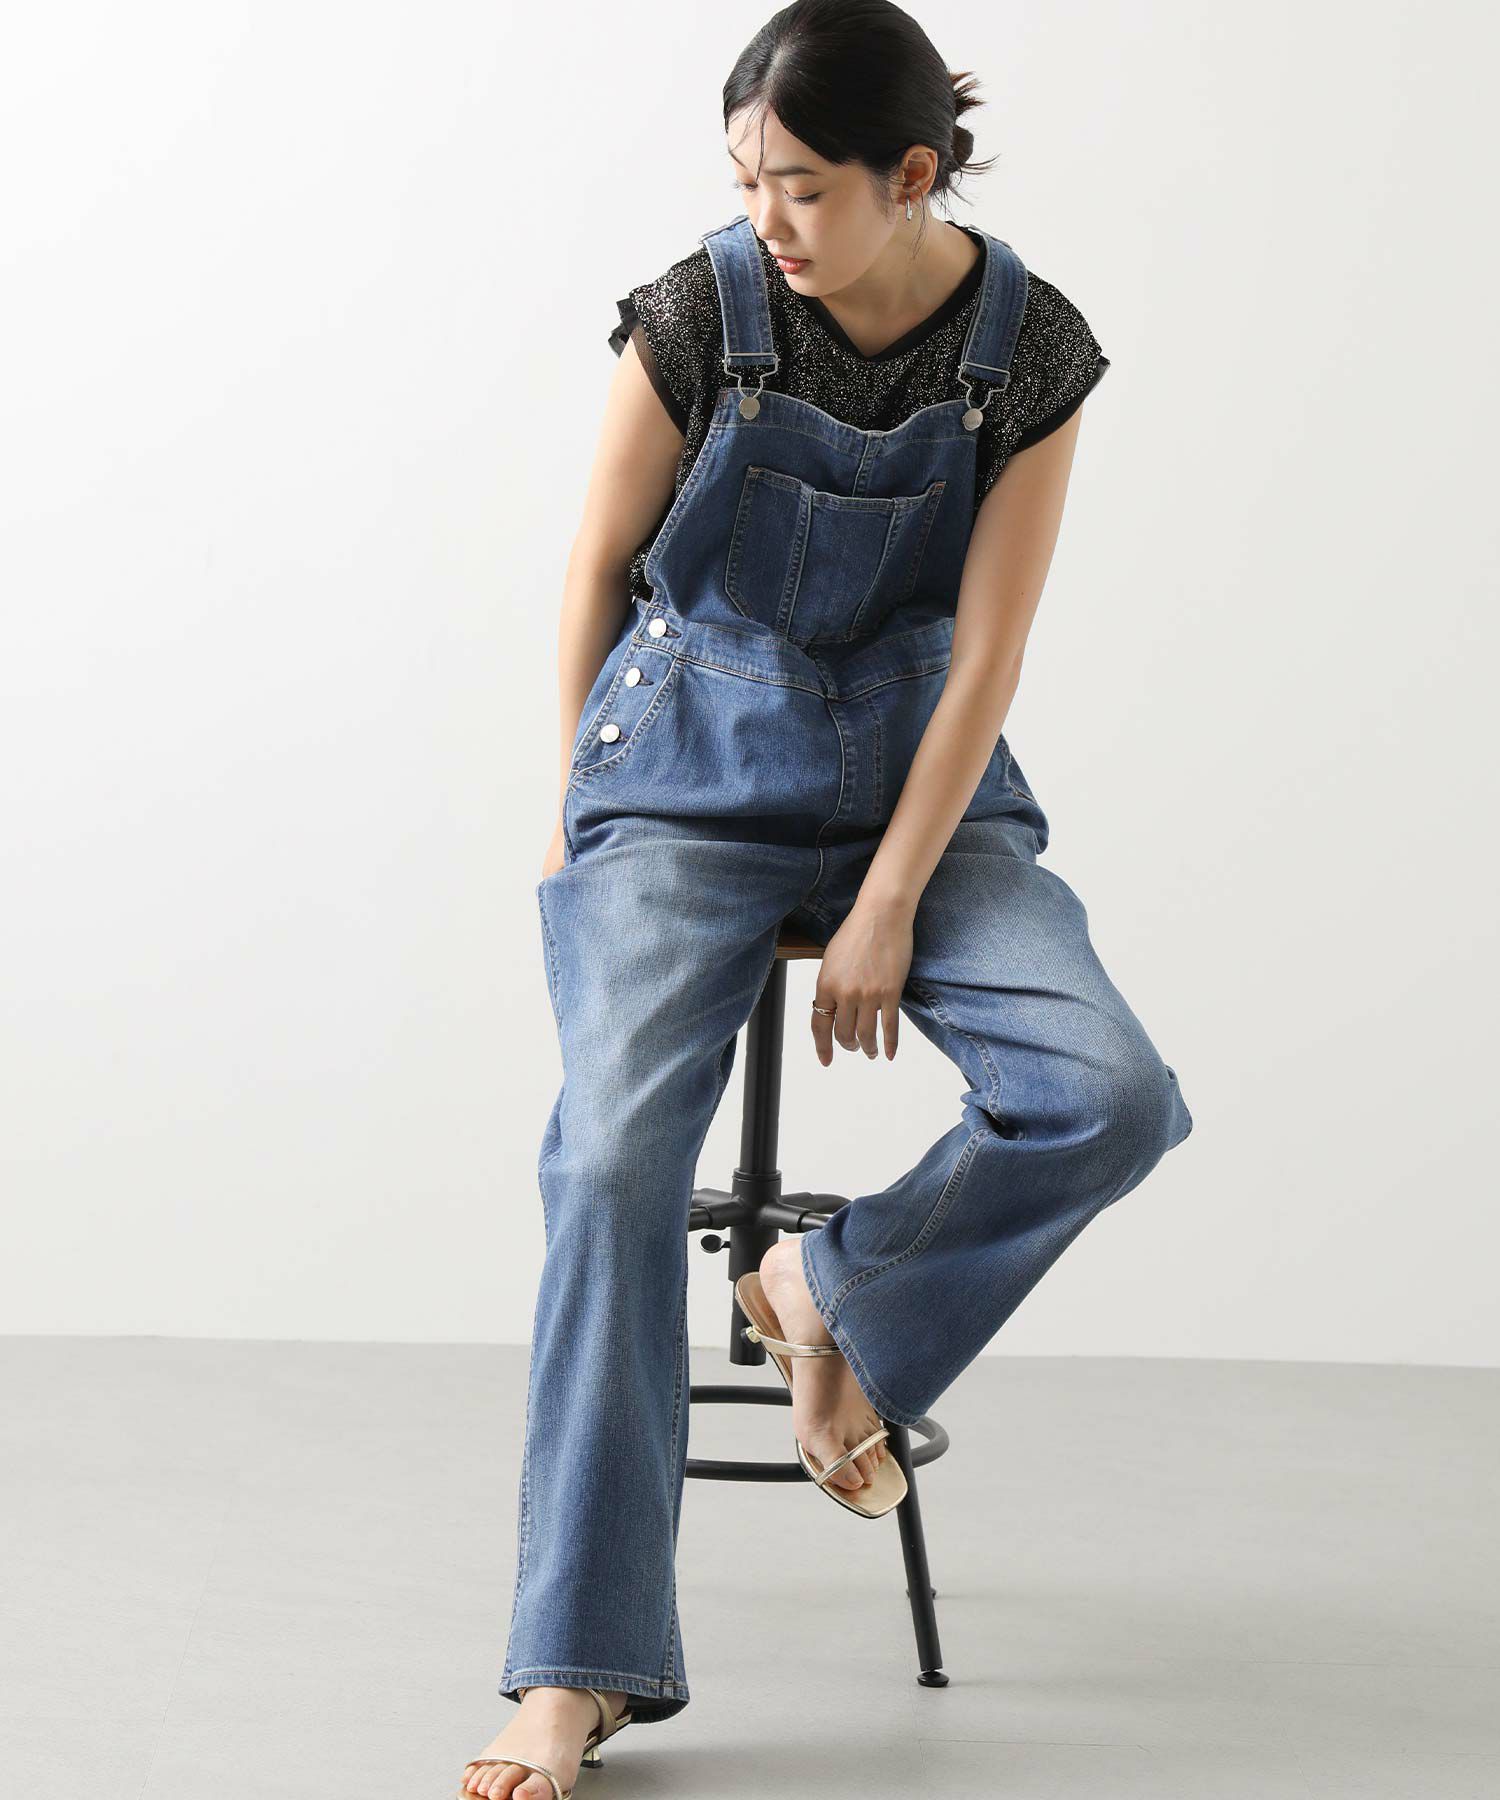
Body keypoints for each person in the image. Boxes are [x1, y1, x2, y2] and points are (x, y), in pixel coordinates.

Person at [458, 3, 1194, 1795]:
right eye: (745, 179)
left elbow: (991, 653)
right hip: (685, 772)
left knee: (1109, 1093)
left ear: (911, 174)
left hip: (919, 780)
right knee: (610, 1167)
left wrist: (892, 900)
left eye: (799, 184)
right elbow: (597, 568)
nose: (765, 217)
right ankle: (575, 1672)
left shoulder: (1030, 349)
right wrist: (570, 804)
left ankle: (829, 1291)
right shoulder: (696, 312)